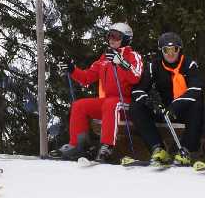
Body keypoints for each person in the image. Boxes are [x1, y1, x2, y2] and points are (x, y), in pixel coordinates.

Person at [56, 22, 143, 163]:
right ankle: (78, 146)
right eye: (109, 35)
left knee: (111, 104)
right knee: (79, 105)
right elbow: (86, 78)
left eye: (116, 36)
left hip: (127, 102)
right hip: (109, 102)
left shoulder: (133, 56)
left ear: (126, 39)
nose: (111, 39)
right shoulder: (104, 59)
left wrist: (121, 62)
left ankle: (107, 147)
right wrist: (72, 69)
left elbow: (136, 76)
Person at [130, 32, 204, 165]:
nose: (170, 53)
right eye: (166, 50)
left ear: (179, 49)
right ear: (161, 51)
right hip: (164, 110)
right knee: (136, 107)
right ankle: (158, 148)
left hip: (183, 110)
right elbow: (138, 90)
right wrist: (149, 102)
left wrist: (176, 106)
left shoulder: (189, 64)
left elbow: (196, 89)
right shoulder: (154, 66)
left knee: (197, 105)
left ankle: (186, 150)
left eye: (174, 49)